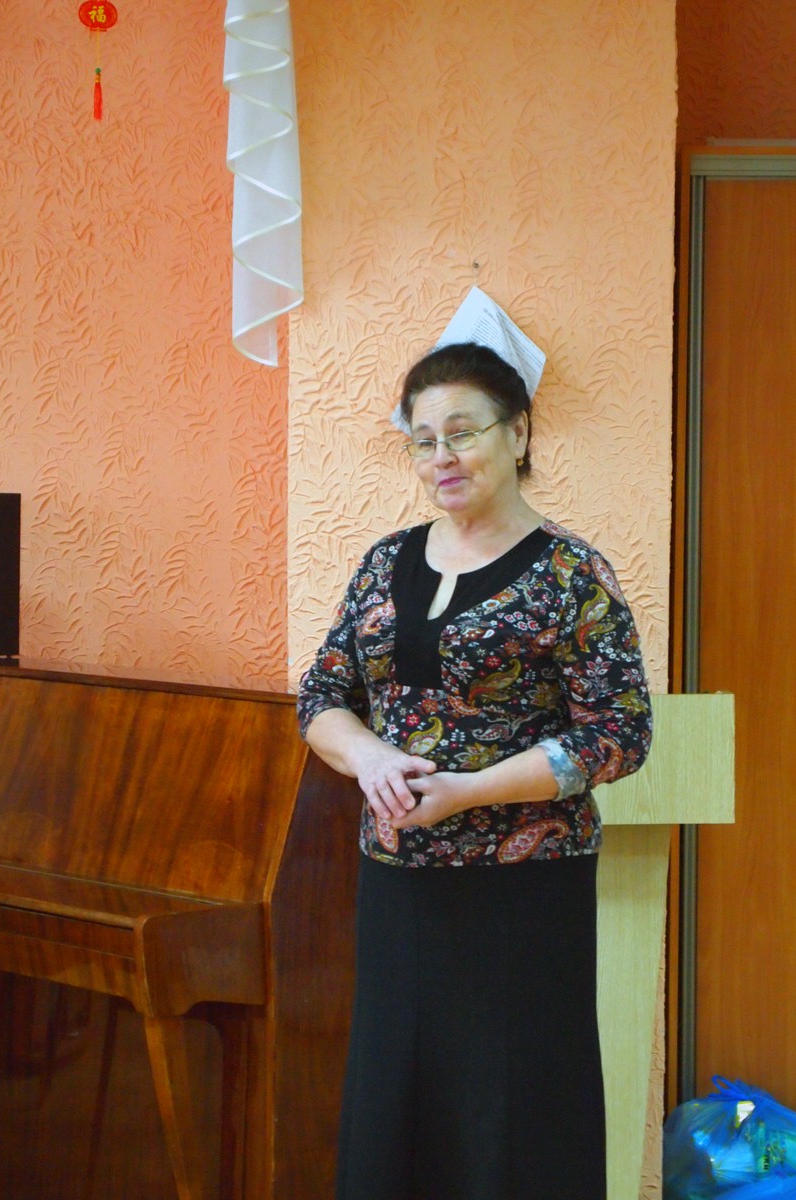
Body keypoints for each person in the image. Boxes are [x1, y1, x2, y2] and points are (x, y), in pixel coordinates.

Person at [297, 341, 652, 1200]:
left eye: (462, 432)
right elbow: (321, 695)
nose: (441, 457)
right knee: (396, 1103)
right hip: (398, 883)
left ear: (517, 433)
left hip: (523, 892)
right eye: (423, 441)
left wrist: (468, 792)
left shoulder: (572, 574)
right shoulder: (385, 561)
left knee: (514, 1114)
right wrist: (370, 755)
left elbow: (621, 732)